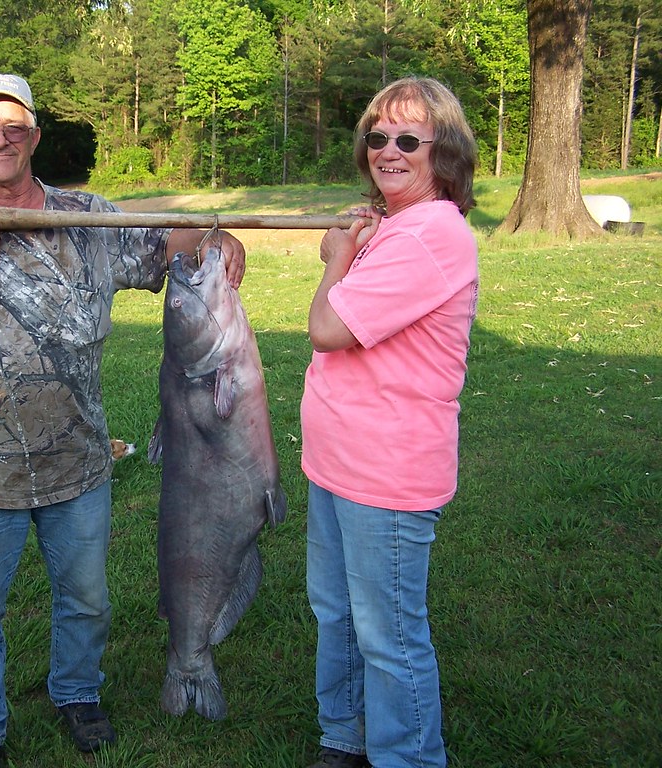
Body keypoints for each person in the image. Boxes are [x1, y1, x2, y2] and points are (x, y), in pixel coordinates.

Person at [0, 66, 246, 768]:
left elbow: (169, 247)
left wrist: (213, 236)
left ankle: (77, 693)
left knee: (86, 601)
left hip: (81, 460)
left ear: (33, 135)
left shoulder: (86, 216)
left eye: (13, 127)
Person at [299, 77, 478, 768]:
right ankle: (344, 736)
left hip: (388, 477)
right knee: (338, 616)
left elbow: (326, 327)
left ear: (447, 152)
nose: (389, 150)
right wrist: (364, 239)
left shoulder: (429, 236)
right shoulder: (400, 226)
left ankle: (408, 756)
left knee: (389, 635)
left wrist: (338, 259)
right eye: (378, 137)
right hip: (338, 464)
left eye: (409, 139)